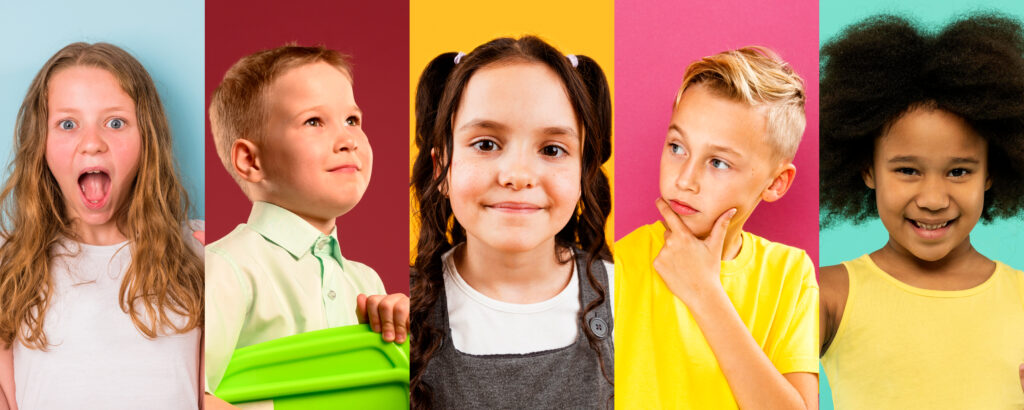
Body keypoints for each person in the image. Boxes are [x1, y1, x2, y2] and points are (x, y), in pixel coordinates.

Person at [819, 13, 1024, 409]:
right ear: (867, 169)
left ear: (990, 173)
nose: (933, 199)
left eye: (959, 171)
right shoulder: (829, 295)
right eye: (908, 170)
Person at [409, 36, 614, 409]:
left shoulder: (626, 296)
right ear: (441, 169)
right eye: (486, 144)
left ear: (583, 172)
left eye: (552, 149)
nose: (518, 176)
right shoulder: (398, 308)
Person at [0, 42, 204, 409]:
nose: (92, 144)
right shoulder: (8, 263)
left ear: (147, 138)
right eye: (67, 124)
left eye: (115, 123)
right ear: (40, 143)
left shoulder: (202, 254)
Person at [204, 45, 409, 408]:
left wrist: (410, 343)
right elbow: (181, 393)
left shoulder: (367, 283)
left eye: (352, 120)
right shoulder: (225, 269)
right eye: (314, 121)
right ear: (250, 159)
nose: (348, 140)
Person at [615, 46, 818, 409]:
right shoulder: (615, 267)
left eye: (718, 163)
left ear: (776, 183)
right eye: (677, 147)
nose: (685, 180)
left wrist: (704, 292)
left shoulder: (790, 274)